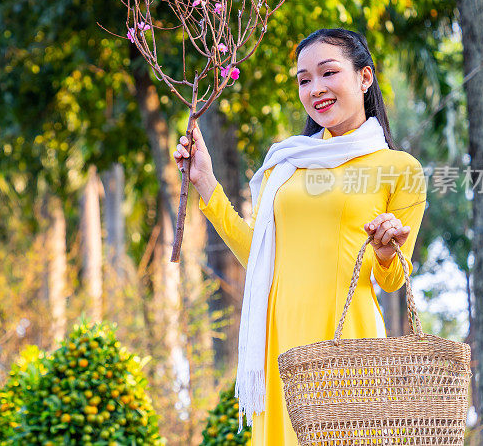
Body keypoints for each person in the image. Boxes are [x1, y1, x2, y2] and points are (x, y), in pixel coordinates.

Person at [173, 28, 427, 445]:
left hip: (347, 340)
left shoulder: (398, 168)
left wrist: (385, 253)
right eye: (304, 80)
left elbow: (392, 281)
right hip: (281, 340)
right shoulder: (288, 164)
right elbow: (259, 255)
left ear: (365, 78)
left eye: (328, 73)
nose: (316, 89)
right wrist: (206, 183)